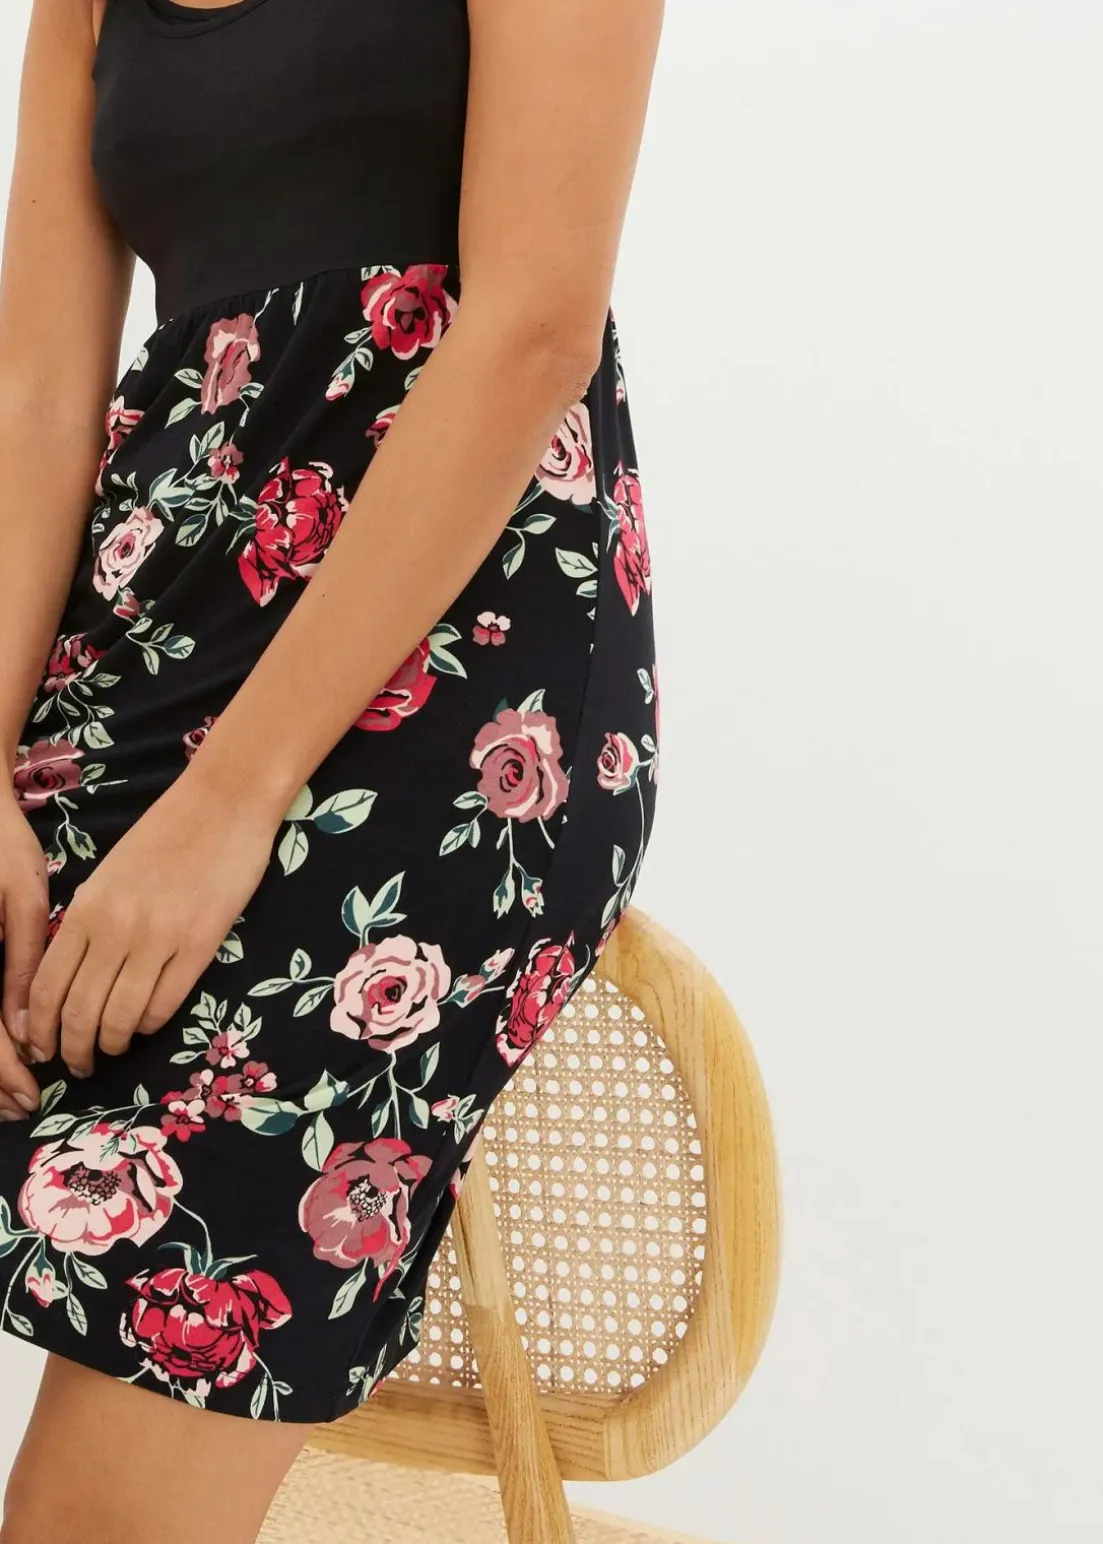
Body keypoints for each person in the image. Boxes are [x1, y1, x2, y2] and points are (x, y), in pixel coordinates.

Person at [0, 0, 662, 1538]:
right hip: (137, 645)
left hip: (443, 688)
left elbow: (533, 327)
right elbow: (36, 395)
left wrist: (228, 806)